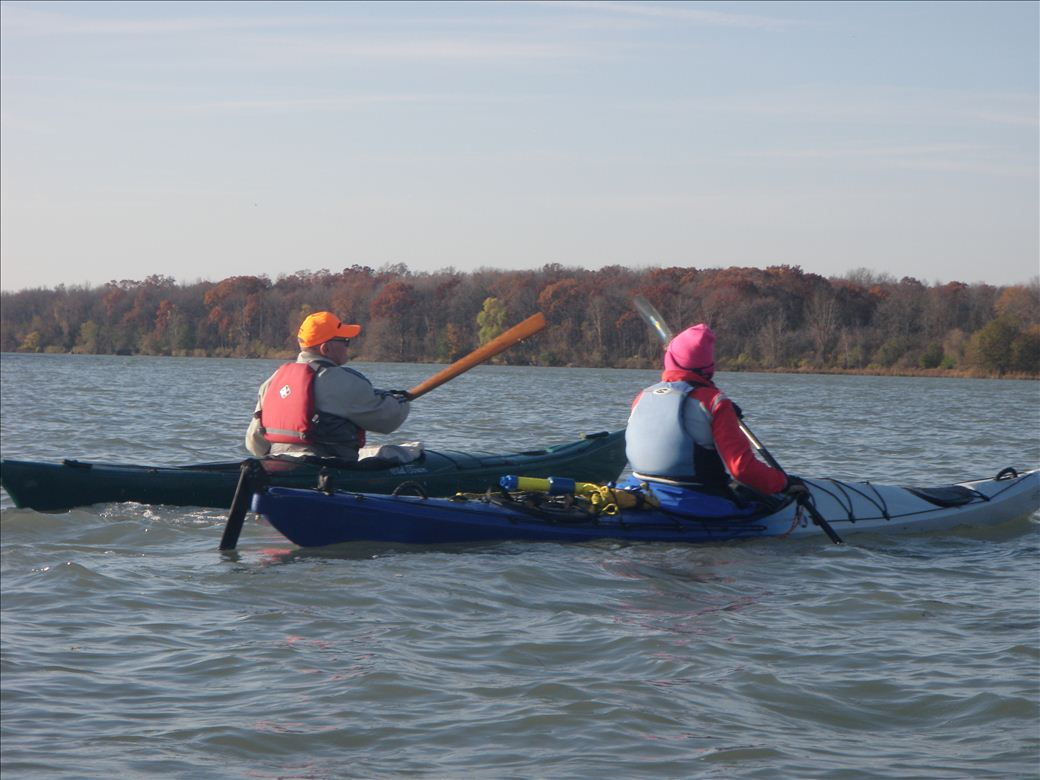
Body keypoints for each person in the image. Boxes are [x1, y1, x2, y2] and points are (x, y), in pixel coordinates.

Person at [625, 323, 799, 497]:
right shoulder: (715, 402)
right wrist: (783, 483)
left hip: (638, 490)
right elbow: (742, 470)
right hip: (695, 496)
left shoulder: (642, 397)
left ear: (669, 360)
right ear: (708, 366)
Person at [246, 311, 410, 462]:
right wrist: (402, 401)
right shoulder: (340, 381)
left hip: (280, 467)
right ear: (326, 348)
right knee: (407, 453)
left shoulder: (272, 382)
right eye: (345, 341)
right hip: (330, 470)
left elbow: (255, 444)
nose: (348, 346)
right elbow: (388, 419)